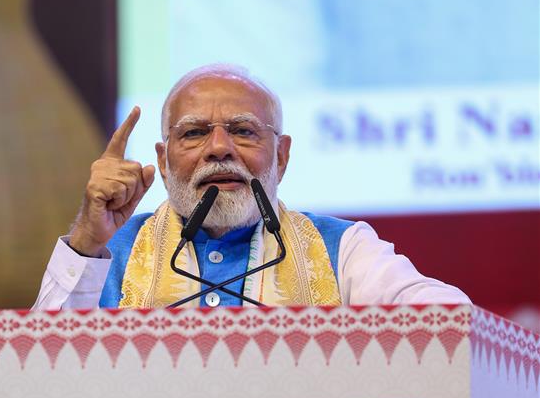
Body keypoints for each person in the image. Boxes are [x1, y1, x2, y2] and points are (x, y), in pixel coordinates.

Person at [34, 64, 470, 310]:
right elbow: (36, 371)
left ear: (280, 156)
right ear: (162, 162)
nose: (220, 148)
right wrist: (88, 241)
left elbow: (450, 323)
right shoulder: (110, 252)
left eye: (243, 131)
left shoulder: (344, 250)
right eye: (193, 133)